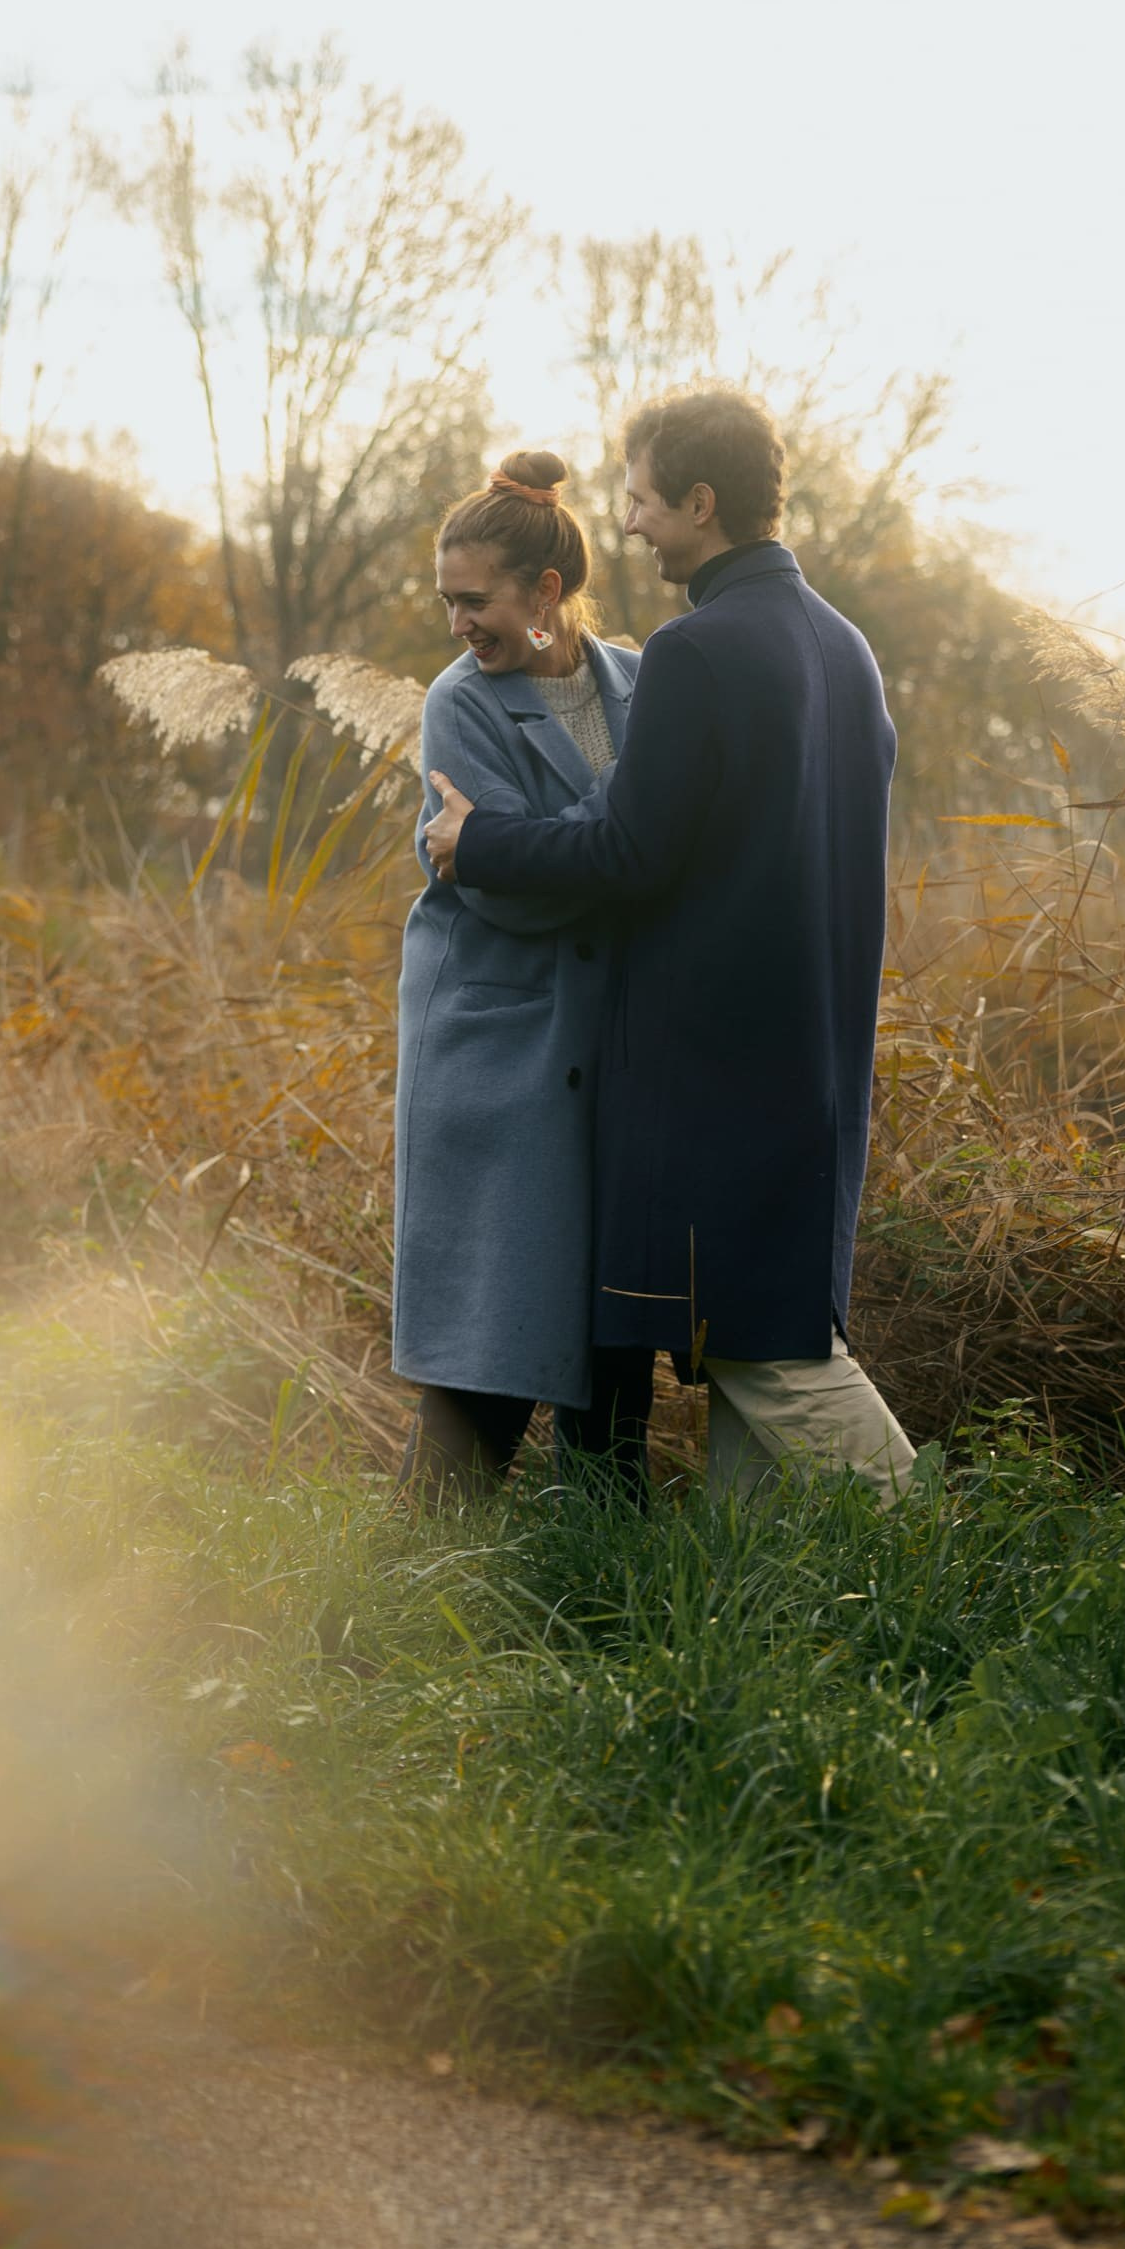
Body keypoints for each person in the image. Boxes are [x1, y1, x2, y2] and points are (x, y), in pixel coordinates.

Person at [423, 386, 916, 1504]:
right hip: (818, 1060)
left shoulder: (695, 651)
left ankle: (942, 1544)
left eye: (643, 500)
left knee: (763, 1347)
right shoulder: (844, 648)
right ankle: (748, 1614)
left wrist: (478, 840)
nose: (631, 524)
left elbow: (630, 854)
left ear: (701, 500)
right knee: (760, 1343)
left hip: (712, 1073)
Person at [392, 449, 639, 1499]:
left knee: (613, 1343)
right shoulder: (458, 705)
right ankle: (398, 1605)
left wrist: (565, 842)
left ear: (545, 593)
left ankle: (599, 1606)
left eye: (472, 599)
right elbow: (511, 888)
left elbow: (602, 851)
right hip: (499, 1060)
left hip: (619, 1050)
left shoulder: (645, 681)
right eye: (446, 601)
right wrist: (631, 841)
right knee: (484, 1345)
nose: (457, 625)